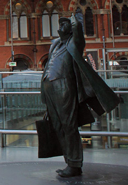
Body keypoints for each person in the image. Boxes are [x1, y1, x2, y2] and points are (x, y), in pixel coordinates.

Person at [40, 14, 120, 178]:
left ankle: (74, 164)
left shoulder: (74, 43)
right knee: (57, 126)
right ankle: (68, 161)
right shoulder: (55, 44)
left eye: (65, 24)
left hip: (64, 86)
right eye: (60, 23)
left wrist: (75, 20)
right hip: (50, 89)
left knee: (68, 125)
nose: (61, 26)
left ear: (71, 28)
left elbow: (78, 30)